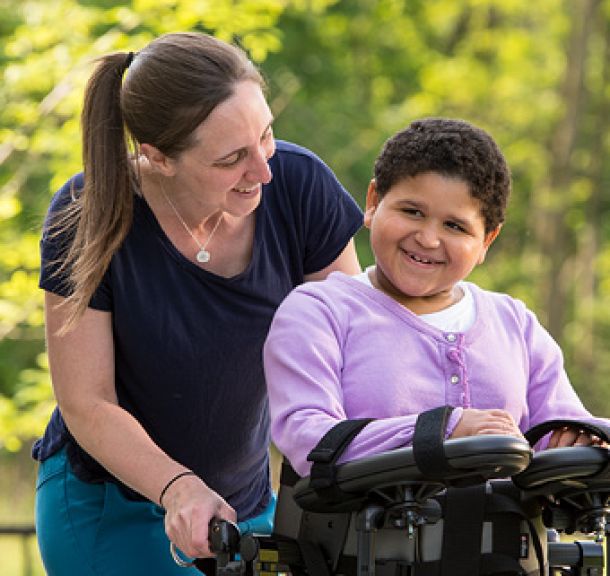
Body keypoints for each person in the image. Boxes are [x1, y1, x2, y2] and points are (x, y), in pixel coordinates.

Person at [33, 32, 362, 575]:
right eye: (232, 158)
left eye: (267, 136)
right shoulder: (85, 213)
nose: (263, 170)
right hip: (111, 504)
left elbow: (354, 351)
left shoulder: (301, 188)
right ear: (157, 156)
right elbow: (87, 402)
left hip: (244, 508)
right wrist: (179, 487)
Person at [264, 117, 608, 479]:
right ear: (373, 202)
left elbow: (564, 431)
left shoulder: (515, 325)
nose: (428, 239)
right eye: (412, 212)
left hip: (506, 535)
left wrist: (584, 441)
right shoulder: (320, 312)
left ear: (486, 241)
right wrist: (446, 430)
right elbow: (308, 438)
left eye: (455, 226)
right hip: (366, 533)